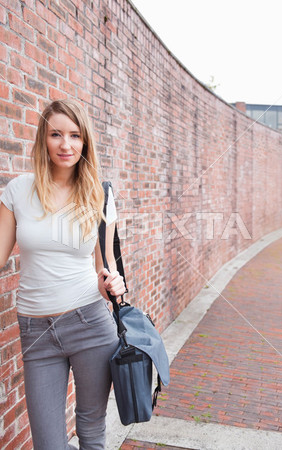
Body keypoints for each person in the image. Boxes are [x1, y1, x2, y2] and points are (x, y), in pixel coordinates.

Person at [0, 99, 126, 450]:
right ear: (43, 138)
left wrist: (111, 283)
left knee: (91, 434)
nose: (65, 145)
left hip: (90, 324)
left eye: (74, 136)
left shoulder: (100, 196)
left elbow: (106, 270)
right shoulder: (18, 191)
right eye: (56, 134)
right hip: (36, 330)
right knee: (49, 444)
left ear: (85, 142)